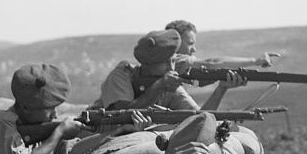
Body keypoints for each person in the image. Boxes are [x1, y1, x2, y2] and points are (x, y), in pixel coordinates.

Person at [94, 29, 246, 112]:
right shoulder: (122, 75)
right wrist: (159, 87)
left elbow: (199, 118)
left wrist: (221, 89)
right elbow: (122, 115)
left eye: (173, 61)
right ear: (147, 64)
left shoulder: (168, 84)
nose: (171, 68)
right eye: (165, 63)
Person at [164, 19, 280, 71]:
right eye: (190, 43)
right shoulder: (174, 60)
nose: (194, 49)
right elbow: (211, 63)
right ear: (176, 42)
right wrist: (255, 61)